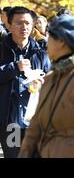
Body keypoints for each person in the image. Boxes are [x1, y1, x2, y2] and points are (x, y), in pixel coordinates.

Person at [0, 6, 51, 158]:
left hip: (36, 121)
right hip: (9, 119)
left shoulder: (41, 53)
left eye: (27, 23)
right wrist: (14, 68)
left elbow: (52, 81)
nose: (24, 27)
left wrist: (44, 82)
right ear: (9, 25)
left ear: (33, 25)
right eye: (19, 23)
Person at [19, 14, 74, 158]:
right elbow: (35, 125)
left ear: (62, 41)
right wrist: (25, 152)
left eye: (50, 37)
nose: (46, 41)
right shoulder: (50, 78)